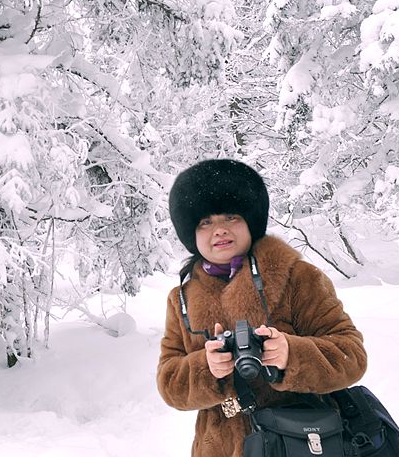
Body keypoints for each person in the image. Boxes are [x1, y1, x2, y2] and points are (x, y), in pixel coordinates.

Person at [156, 159, 367, 457]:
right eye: (205, 221)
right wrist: (207, 368)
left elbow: (351, 356)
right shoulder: (181, 298)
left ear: (250, 220)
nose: (219, 230)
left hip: (300, 443)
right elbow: (169, 383)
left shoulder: (298, 277)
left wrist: (290, 354)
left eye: (230, 216)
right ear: (191, 232)